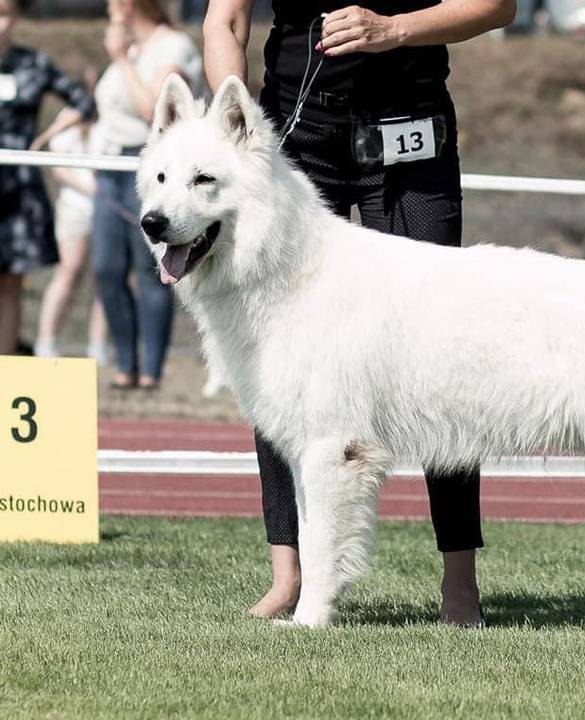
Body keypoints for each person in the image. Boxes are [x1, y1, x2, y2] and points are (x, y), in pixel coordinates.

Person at [203, 0, 515, 623]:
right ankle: (288, 575)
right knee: (278, 362)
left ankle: (460, 579)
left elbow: (497, 6)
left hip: (410, 136)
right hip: (296, 134)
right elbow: (225, 20)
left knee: (441, 353)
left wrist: (393, 30)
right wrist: (230, 129)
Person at [92, 0, 202, 389]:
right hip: (108, 167)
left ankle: (151, 372)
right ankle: (125, 365)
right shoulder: (132, 49)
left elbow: (150, 110)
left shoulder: (173, 47)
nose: (107, 9)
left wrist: (120, 59)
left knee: (152, 270)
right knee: (106, 268)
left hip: (151, 170)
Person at [0, 0, 95, 356]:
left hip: (20, 191)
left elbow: (84, 103)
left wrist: (45, 138)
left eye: (4, 15)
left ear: (15, 18)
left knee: (11, 283)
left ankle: (5, 365)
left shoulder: (33, 63)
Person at [32, 93, 109, 363]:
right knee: (68, 272)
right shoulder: (65, 119)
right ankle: (46, 341)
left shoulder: (109, 121)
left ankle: (98, 345)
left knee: (106, 278)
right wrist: (92, 189)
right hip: (75, 209)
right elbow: (58, 167)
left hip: (106, 212)